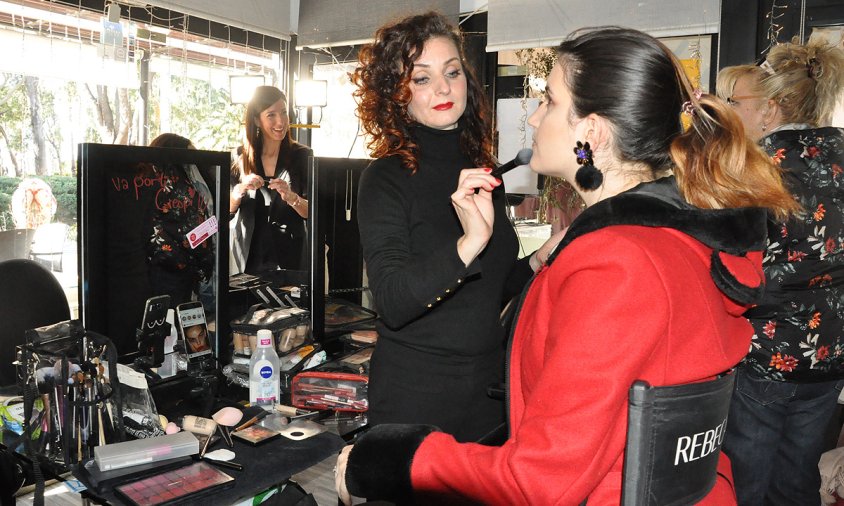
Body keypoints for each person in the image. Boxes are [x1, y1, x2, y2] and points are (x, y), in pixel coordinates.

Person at [335, 26, 800, 505]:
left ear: (591, 133)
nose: (534, 117)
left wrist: (391, 459)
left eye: (550, 101)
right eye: (422, 78)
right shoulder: (665, 239)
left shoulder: (620, 261)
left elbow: (542, 478)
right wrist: (540, 262)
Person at [350, 11, 560, 443]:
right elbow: (392, 301)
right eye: (422, 78)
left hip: (489, 398)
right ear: (397, 93)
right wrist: (469, 242)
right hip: (418, 400)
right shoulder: (385, 178)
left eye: (452, 72)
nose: (443, 87)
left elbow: (491, 289)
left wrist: (538, 261)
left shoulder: (482, 172)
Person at [716, 40, 844, 506]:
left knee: (746, 483)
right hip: (830, 353)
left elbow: (727, 258)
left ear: (770, 108)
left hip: (764, 352)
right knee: (796, 482)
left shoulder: (756, 167)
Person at [229, 86, 312, 275]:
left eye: (284, 113)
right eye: (271, 115)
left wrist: (292, 198)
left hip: (291, 254)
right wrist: (238, 192)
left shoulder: (303, 156)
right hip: (249, 255)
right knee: (249, 304)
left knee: (291, 305)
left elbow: (312, 211)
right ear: (257, 120)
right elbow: (225, 211)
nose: (280, 121)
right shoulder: (239, 156)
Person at [146, 133, 215, 308]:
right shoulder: (161, 184)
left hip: (191, 271)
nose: (193, 166)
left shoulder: (195, 182)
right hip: (167, 273)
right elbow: (156, 229)